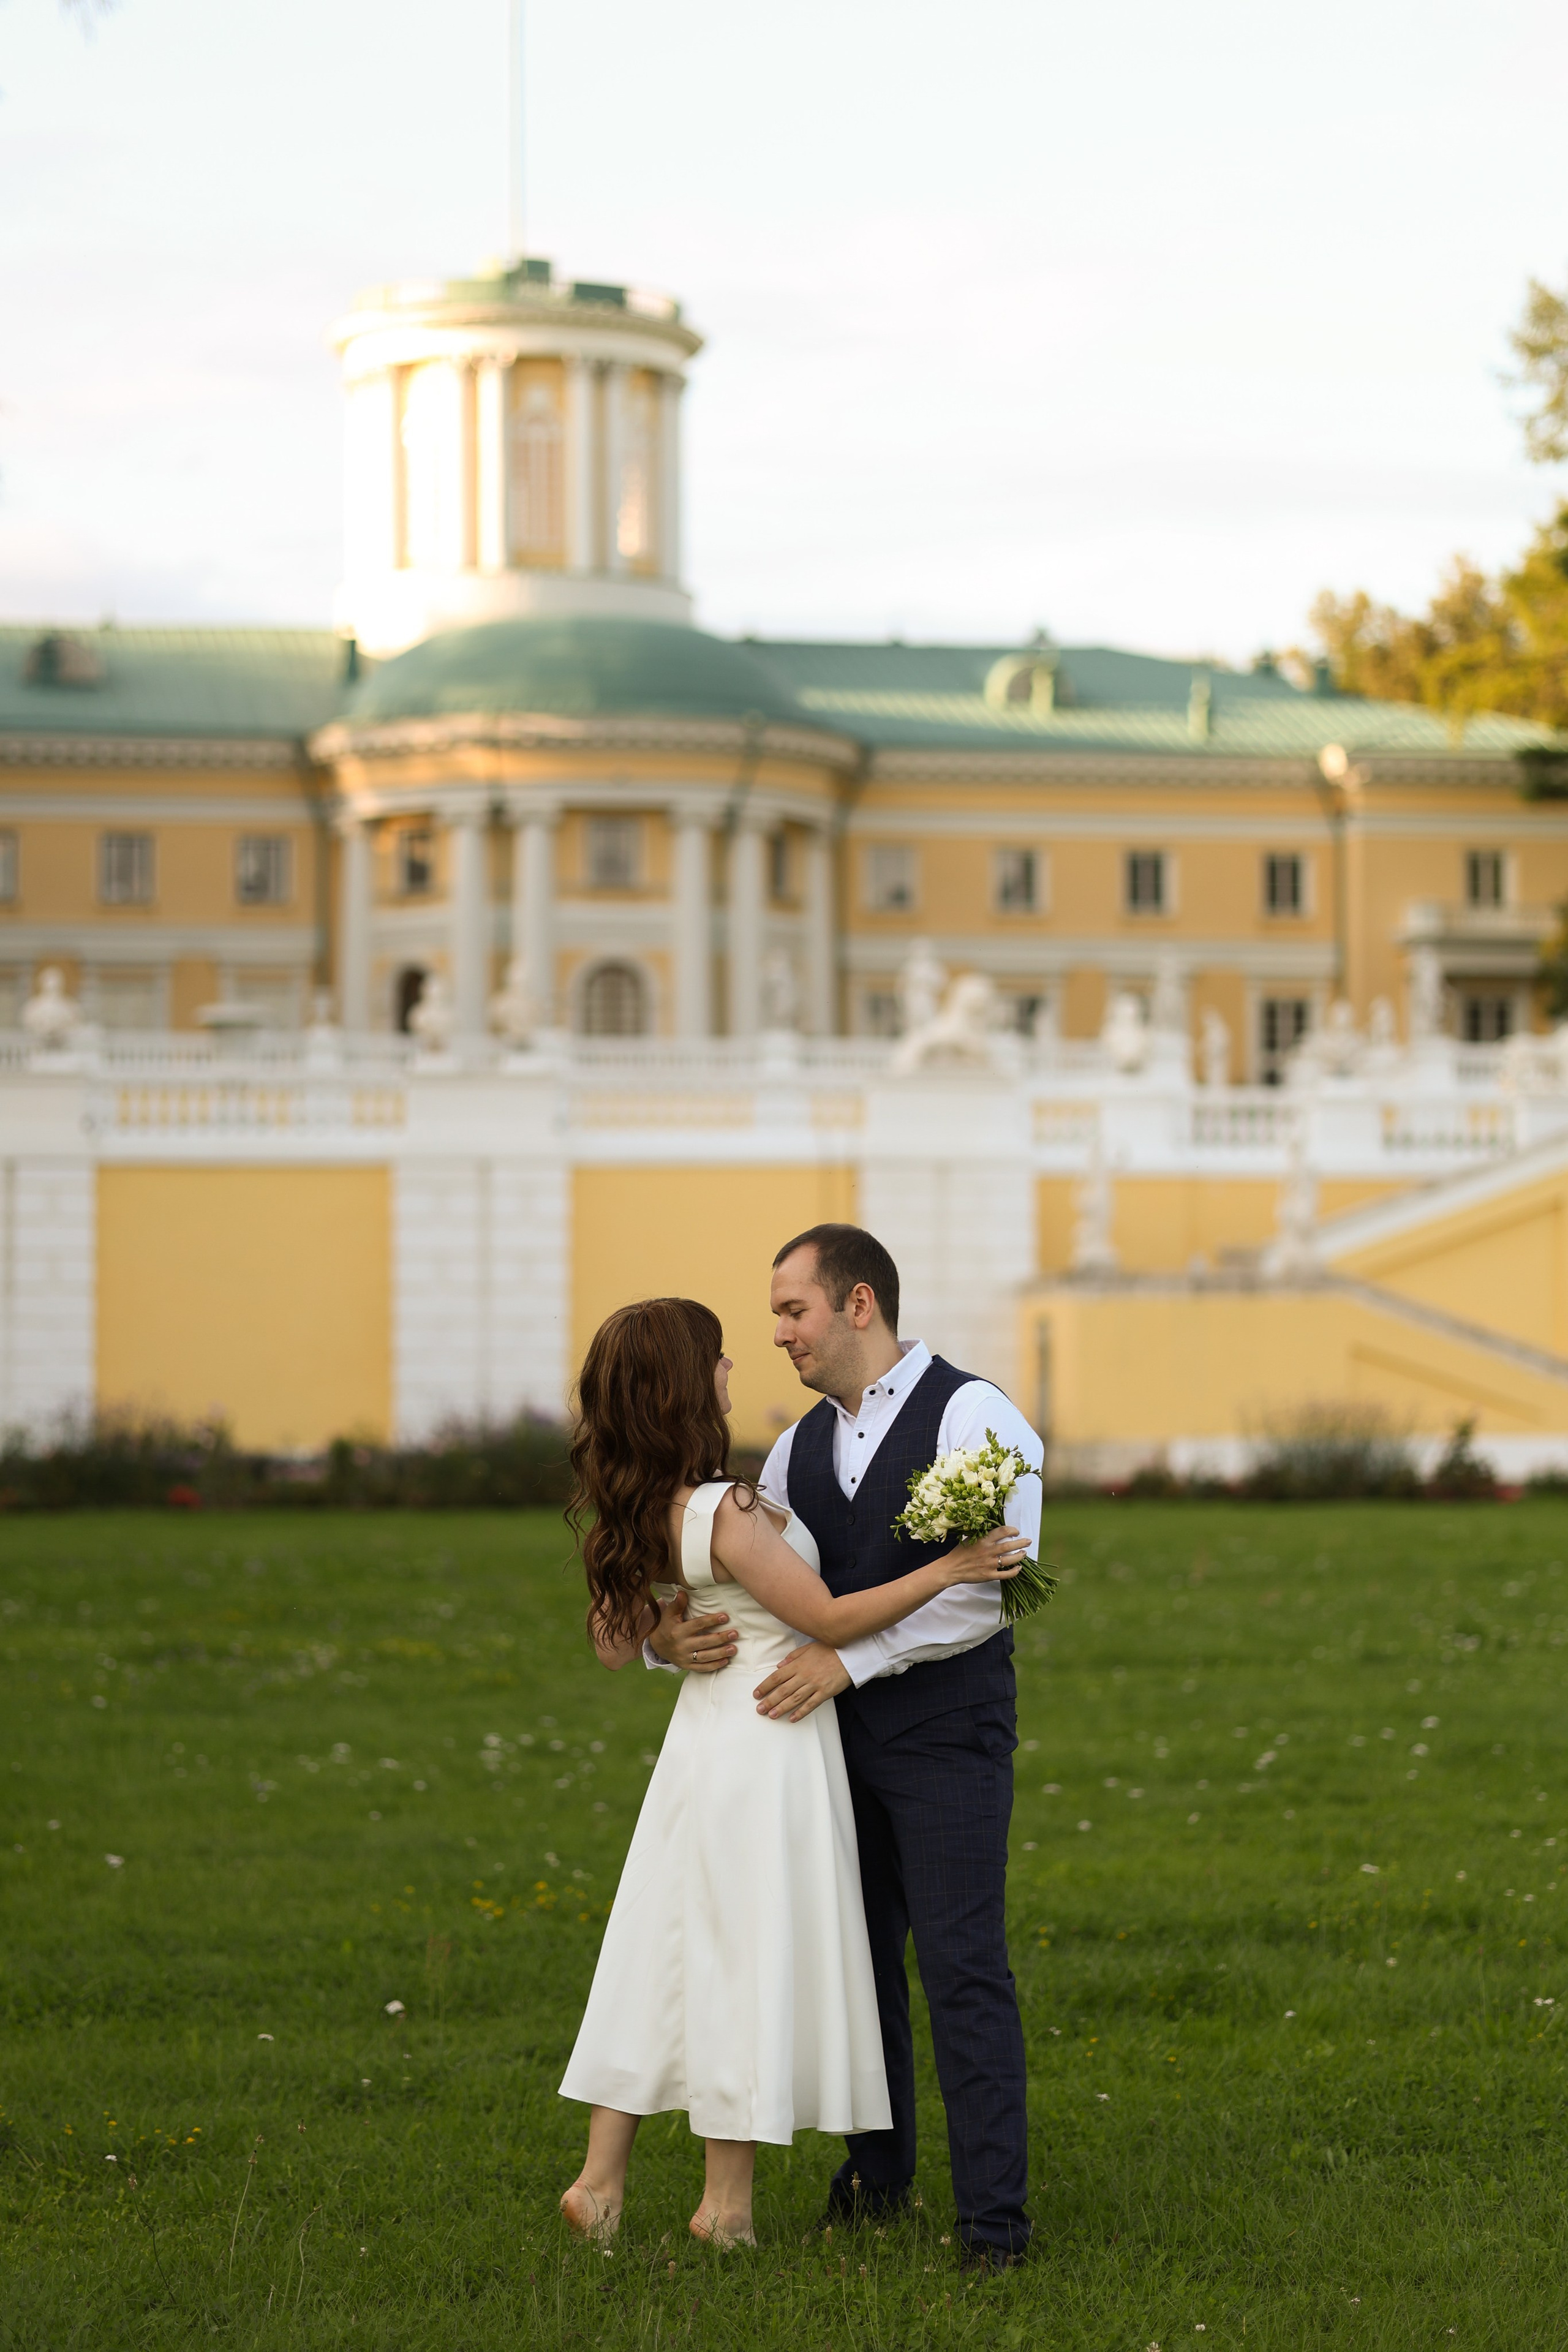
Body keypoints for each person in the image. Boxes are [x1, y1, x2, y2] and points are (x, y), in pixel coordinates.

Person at [556, 1295, 1027, 2248]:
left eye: (787, 1310)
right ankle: (724, 2208)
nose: (747, 1360)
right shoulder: (729, 1503)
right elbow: (823, 1614)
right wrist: (952, 1565)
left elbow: (613, 1639)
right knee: (743, 1956)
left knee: (666, 1950)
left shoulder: (649, 1502)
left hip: (703, 1748)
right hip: (767, 1747)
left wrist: (662, 1632)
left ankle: (604, 2183)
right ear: (689, 1385)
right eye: (723, 1356)